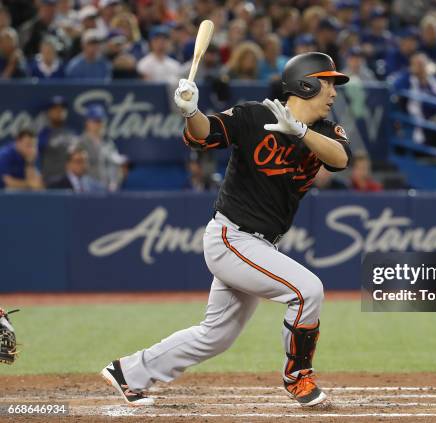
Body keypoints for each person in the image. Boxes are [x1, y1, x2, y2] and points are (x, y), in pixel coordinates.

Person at [101, 52, 351, 408]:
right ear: (306, 83)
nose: (333, 92)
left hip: (259, 245)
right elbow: (206, 135)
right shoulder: (255, 114)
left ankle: (129, 372)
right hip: (232, 237)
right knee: (308, 291)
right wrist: (190, 112)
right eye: (327, 83)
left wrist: (301, 132)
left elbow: (340, 159)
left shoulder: (325, 130)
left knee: (215, 336)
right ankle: (298, 378)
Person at [77, 105, 126, 191]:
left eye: (101, 121)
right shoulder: (80, 143)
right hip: (88, 190)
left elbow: (116, 165)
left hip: (108, 189)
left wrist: (114, 182)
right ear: (87, 122)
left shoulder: (108, 143)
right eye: (95, 121)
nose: (99, 124)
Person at [38, 95, 77, 184]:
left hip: (71, 183)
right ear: (49, 112)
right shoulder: (44, 134)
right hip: (51, 182)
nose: (59, 111)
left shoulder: (72, 134)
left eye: (62, 108)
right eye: (55, 108)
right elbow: (35, 158)